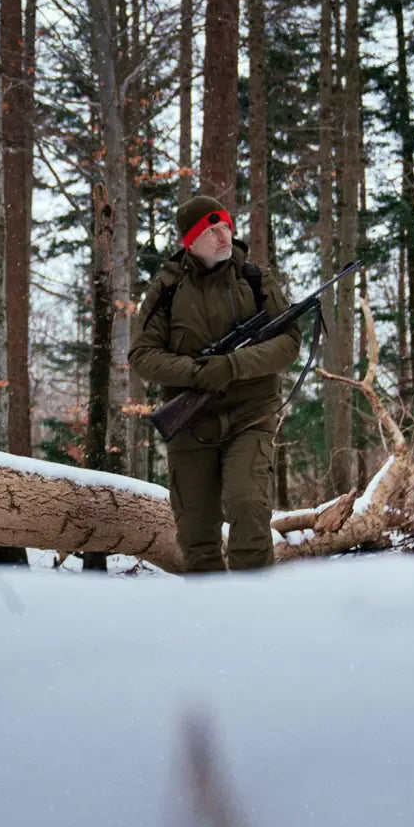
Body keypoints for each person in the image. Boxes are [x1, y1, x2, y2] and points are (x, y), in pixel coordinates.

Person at [128, 195, 301, 572]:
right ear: (190, 241)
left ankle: (252, 612)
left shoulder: (256, 280)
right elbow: (141, 356)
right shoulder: (167, 289)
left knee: (247, 505)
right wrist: (197, 373)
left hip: (250, 416)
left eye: (225, 226)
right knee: (195, 534)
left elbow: (289, 342)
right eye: (212, 231)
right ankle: (210, 622)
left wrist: (233, 365)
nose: (224, 237)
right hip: (190, 424)